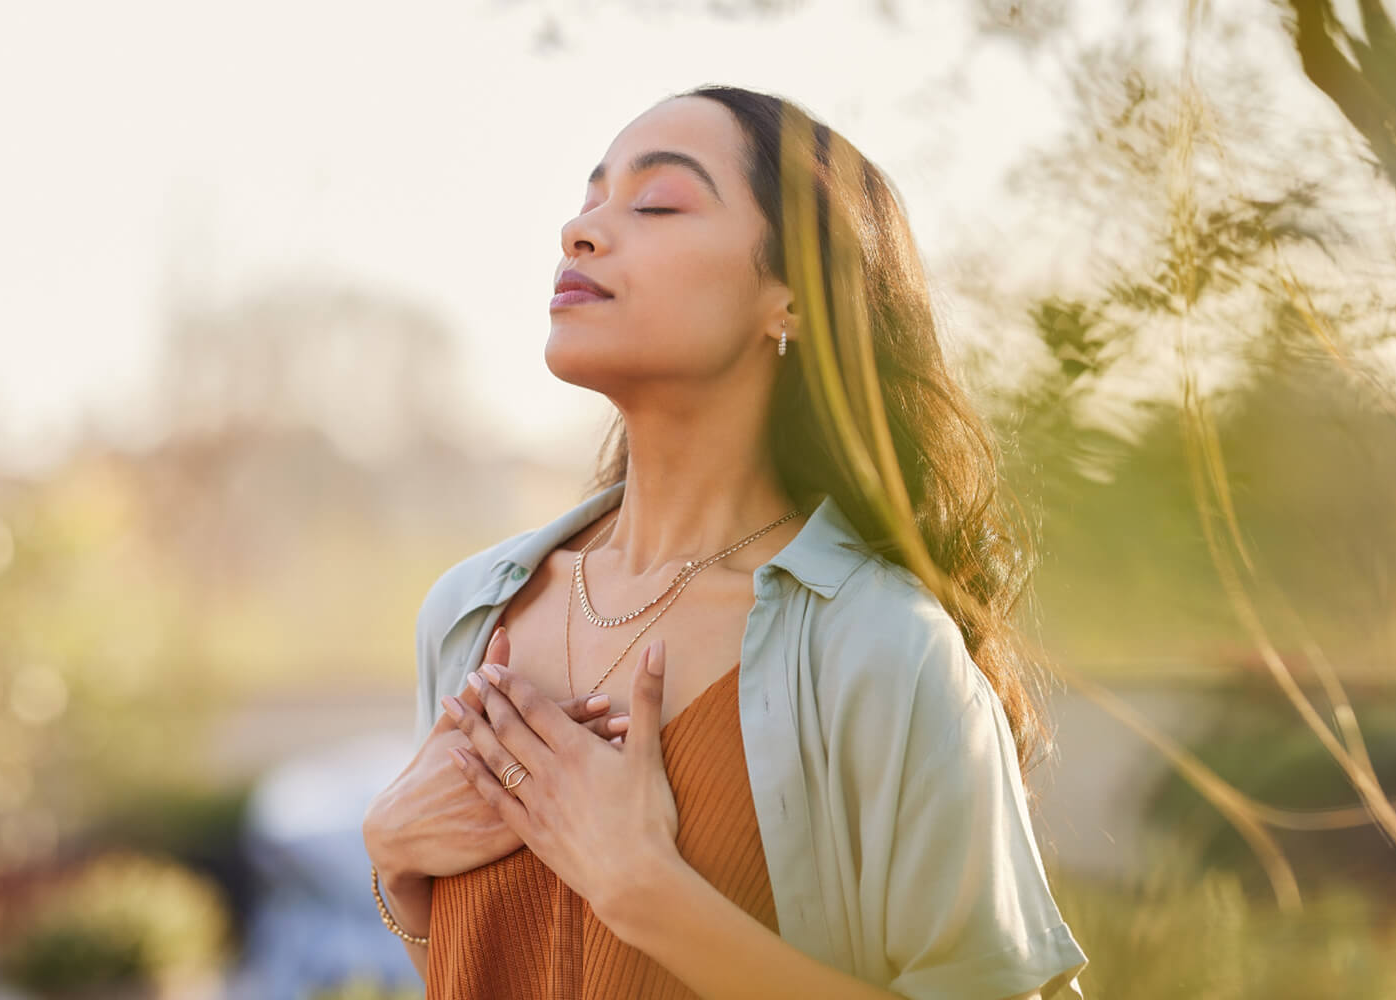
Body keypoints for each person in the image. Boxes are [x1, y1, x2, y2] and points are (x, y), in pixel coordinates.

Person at [362, 83, 1089, 999]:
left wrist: (650, 894)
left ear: (789, 300)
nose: (579, 232)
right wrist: (397, 870)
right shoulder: (468, 613)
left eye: (657, 203)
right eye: (589, 201)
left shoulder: (880, 648)